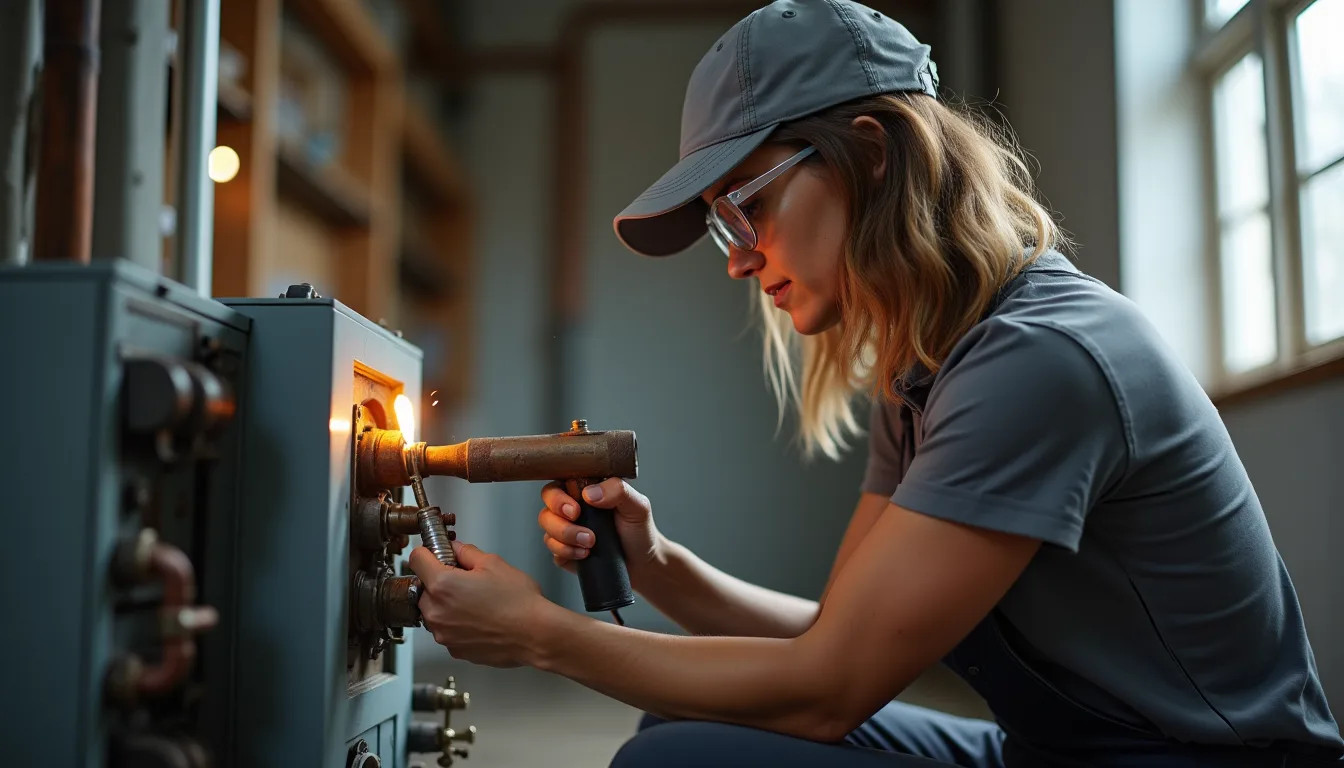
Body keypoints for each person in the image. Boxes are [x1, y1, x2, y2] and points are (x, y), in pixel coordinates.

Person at [407, 0, 1344, 765]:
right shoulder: (932, 367)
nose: (738, 261)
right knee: (686, 730)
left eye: (747, 209)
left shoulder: (1039, 360)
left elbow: (829, 690)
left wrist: (541, 638)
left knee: (680, 763)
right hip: (1058, 747)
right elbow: (840, 635)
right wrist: (659, 563)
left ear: (874, 151)